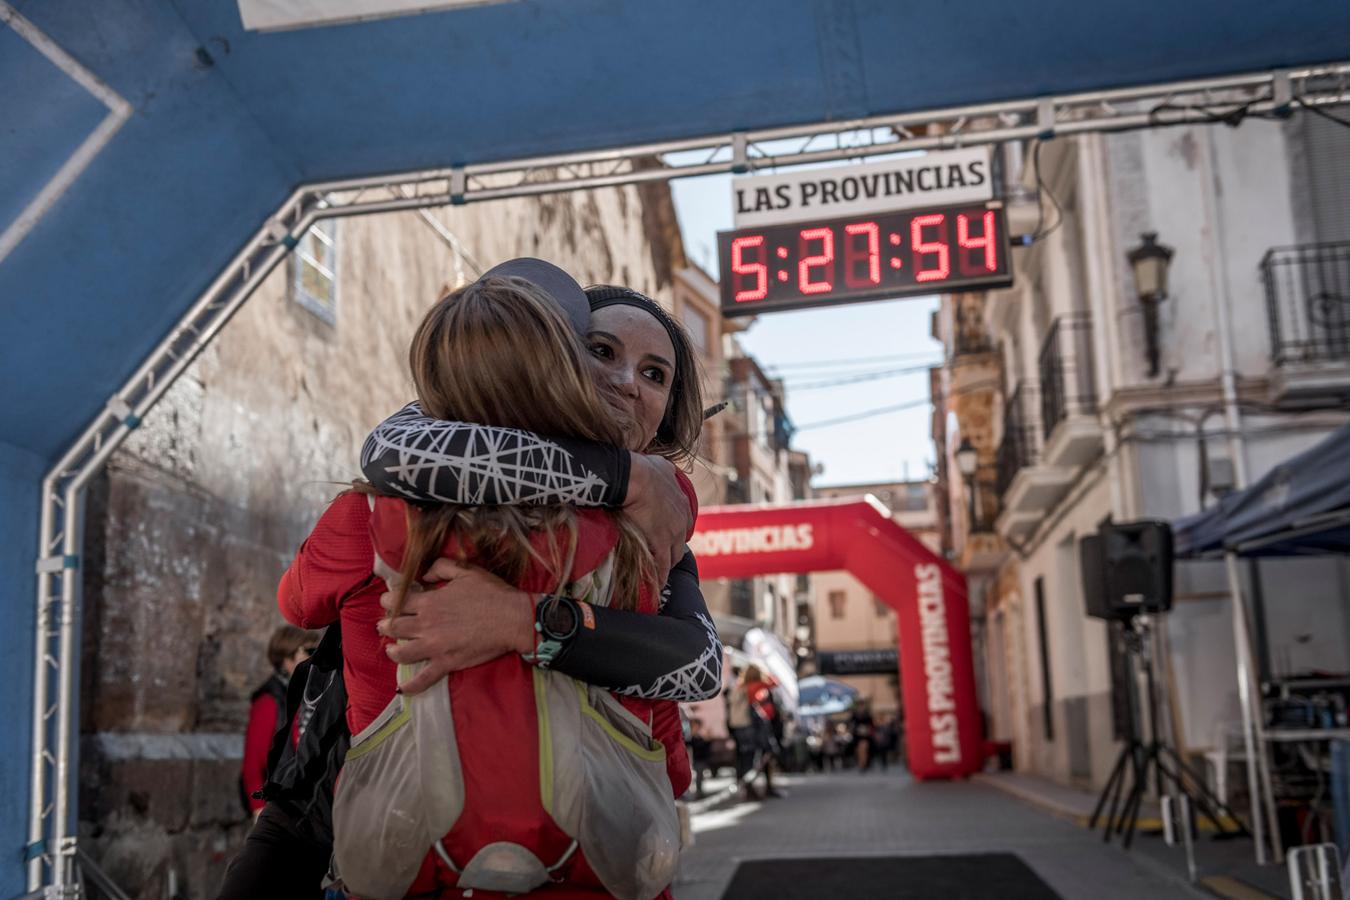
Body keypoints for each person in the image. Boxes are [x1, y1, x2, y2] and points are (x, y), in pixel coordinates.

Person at [218, 265, 722, 900]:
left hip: (408, 861)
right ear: (548, 359)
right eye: (601, 351)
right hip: (591, 869)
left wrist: (522, 621)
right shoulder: (642, 526)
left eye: (656, 374)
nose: (627, 382)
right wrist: (625, 480)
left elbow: (297, 598)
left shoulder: (372, 512)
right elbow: (669, 757)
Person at [239, 625, 314, 821]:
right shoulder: (269, 701)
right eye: (309, 652)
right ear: (287, 659)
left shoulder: (309, 696)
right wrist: (259, 811)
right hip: (278, 808)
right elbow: (253, 764)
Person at [851, 700, 876, 772]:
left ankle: (863, 765)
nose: (861, 707)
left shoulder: (867, 716)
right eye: (860, 706)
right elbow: (852, 725)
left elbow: (872, 726)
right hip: (857, 736)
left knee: (864, 749)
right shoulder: (855, 715)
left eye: (862, 705)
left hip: (865, 736)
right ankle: (861, 764)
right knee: (859, 751)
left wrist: (867, 730)